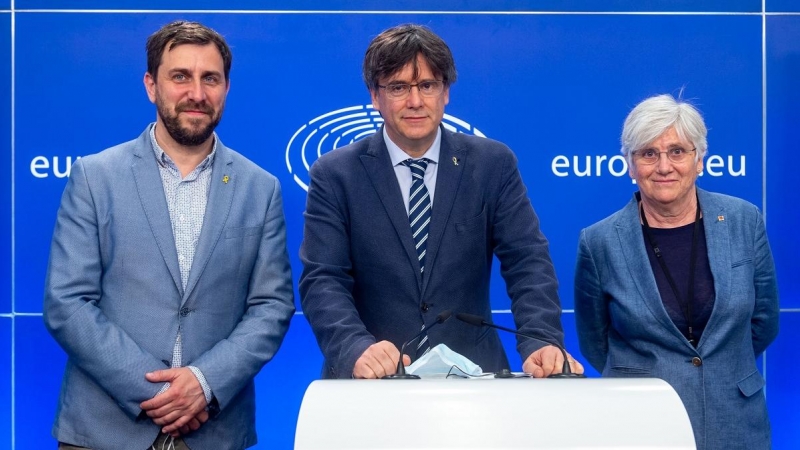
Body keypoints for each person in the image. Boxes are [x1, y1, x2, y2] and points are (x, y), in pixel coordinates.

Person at [43, 20, 294, 450]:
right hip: (102, 432)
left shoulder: (261, 187)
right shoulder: (95, 176)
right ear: (151, 85)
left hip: (214, 432)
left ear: (226, 88)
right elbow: (67, 302)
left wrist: (203, 382)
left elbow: (271, 305)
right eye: (180, 76)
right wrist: (159, 393)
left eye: (209, 78)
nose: (196, 93)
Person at [299, 23, 582, 379]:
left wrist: (541, 340)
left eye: (428, 86)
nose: (415, 101)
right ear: (375, 96)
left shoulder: (492, 164)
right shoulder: (335, 174)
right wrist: (355, 347)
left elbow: (528, 261)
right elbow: (323, 278)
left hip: (474, 378)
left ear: (445, 92)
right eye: (398, 87)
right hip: (374, 381)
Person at [574, 94, 779, 449]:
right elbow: (595, 342)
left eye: (677, 151)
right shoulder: (599, 241)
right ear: (630, 165)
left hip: (735, 422)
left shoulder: (744, 220)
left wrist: (722, 368)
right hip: (642, 426)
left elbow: (764, 322)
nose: (664, 166)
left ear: (700, 160)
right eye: (648, 153)